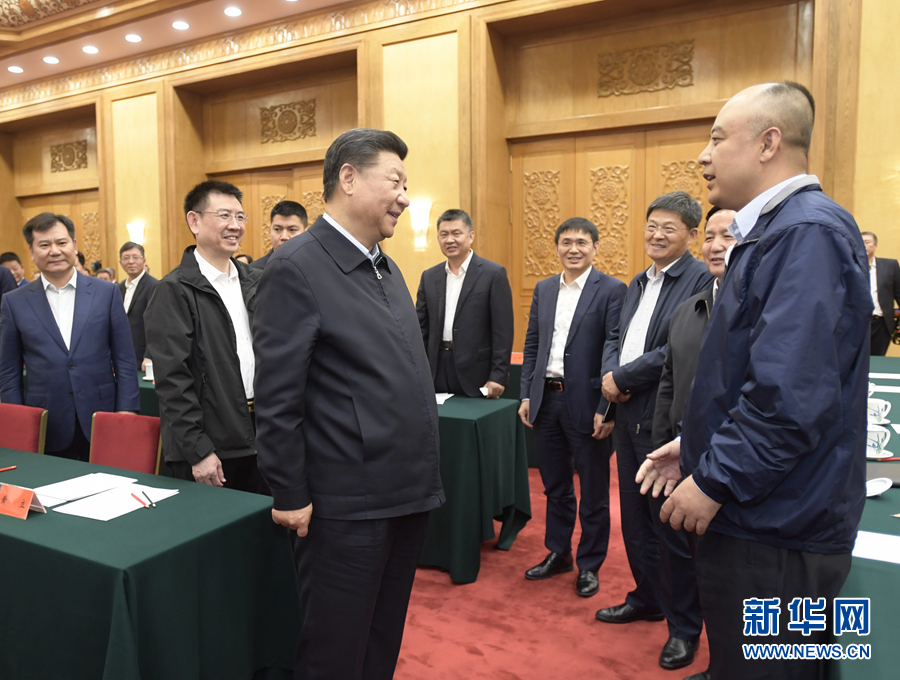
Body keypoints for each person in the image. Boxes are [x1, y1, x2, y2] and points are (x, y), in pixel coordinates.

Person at [653, 81, 869, 680]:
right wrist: (694, 445)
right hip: (767, 515)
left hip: (778, 532)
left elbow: (790, 398)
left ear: (769, 143)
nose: (704, 156)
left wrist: (714, 478)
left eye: (717, 138)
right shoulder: (779, 231)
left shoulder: (806, 233)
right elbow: (751, 372)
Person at [252, 128, 444, 680]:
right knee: (335, 648)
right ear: (349, 178)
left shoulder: (386, 265)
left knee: (382, 638)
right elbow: (278, 399)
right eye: (396, 181)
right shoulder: (296, 266)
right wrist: (289, 493)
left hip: (404, 491)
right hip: (347, 504)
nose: (405, 197)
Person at [595, 191, 713, 671]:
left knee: (668, 528)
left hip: (661, 418)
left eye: (669, 228)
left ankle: (684, 627)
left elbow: (675, 350)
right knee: (635, 520)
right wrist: (610, 381)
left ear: (691, 235)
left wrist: (622, 378)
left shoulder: (699, 279)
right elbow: (617, 338)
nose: (657, 235)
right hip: (626, 413)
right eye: (652, 226)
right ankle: (647, 597)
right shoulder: (639, 281)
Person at [636, 206, 736, 680]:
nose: (716, 246)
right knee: (676, 549)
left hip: (735, 461)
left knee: (728, 564)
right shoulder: (688, 310)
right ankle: (682, 630)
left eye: (728, 236)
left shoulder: (763, 308)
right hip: (680, 455)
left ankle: (728, 656)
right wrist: (664, 445)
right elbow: (669, 385)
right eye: (711, 236)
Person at [518, 217, 625, 598]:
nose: (573, 249)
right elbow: (533, 343)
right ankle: (558, 552)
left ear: (595, 247)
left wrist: (607, 408)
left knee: (594, 492)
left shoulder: (612, 290)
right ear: (557, 247)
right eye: (566, 242)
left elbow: (615, 349)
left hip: (588, 404)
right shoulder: (544, 289)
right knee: (555, 487)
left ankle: (590, 564)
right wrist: (526, 394)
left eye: (581, 242)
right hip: (546, 400)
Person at [144, 180, 266, 493]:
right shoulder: (173, 290)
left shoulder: (256, 281)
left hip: (262, 434)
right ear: (194, 221)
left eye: (240, 217)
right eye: (224, 215)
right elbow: (172, 380)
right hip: (210, 447)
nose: (235, 225)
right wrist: (199, 450)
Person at [0, 213, 139, 460]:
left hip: (102, 416)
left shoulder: (106, 293)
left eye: (61, 243)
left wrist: (127, 409)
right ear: (31, 252)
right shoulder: (13, 302)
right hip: (45, 422)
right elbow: (9, 371)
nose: (54, 251)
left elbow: (125, 359)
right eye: (44, 245)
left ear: (74, 245)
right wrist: (17, 420)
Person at [416, 209, 514, 398]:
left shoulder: (493, 274)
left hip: (477, 372)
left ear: (470, 236)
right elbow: (421, 329)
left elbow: (503, 331)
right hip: (436, 368)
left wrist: (498, 375)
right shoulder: (429, 277)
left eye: (456, 233)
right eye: (444, 234)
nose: (449, 240)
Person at [118, 241, 158, 371]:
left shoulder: (154, 286)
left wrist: (149, 356)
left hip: (143, 358)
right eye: (126, 258)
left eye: (135, 257)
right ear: (120, 262)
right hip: (122, 357)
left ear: (144, 260)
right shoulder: (118, 288)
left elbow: (157, 325)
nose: (131, 261)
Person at [861, 231, 900, 356]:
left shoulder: (890, 266)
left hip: (881, 323)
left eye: (867, 242)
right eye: (860, 242)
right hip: (857, 323)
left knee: (877, 359)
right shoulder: (851, 267)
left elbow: (898, 293)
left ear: (875, 245)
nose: (863, 245)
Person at [250, 200, 308, 270]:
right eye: (277, 229)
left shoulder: (316, 266)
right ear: (270, 231)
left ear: (305, 234)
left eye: (292, 230)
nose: (284, 237)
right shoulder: (254, 270)